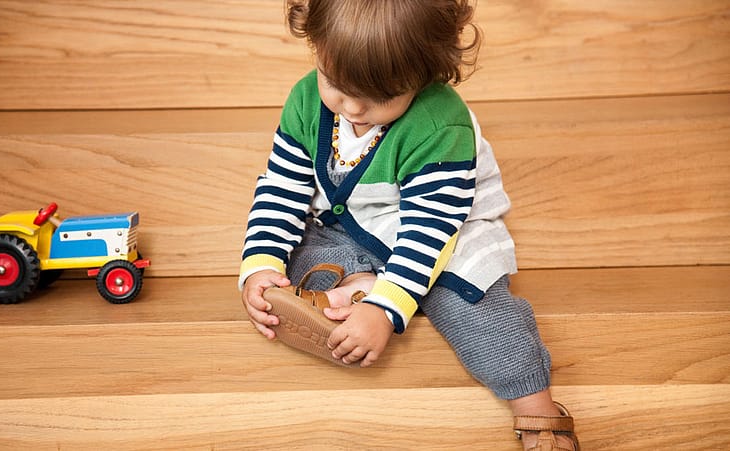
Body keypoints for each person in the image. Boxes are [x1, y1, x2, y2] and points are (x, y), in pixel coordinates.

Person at [239, 1, 579, 449]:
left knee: (477, 309)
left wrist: (386, 309)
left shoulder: (440, 124)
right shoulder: (305, 100)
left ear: (425, 74)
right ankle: (356, 284)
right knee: (300, 254)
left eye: (380, 98)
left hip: (440, 229)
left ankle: (535, 407)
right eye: (337, 85)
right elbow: (282, 189)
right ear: (316, 46)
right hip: (346, 227)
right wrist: (260, 263)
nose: (354, 107)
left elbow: (430, 229)